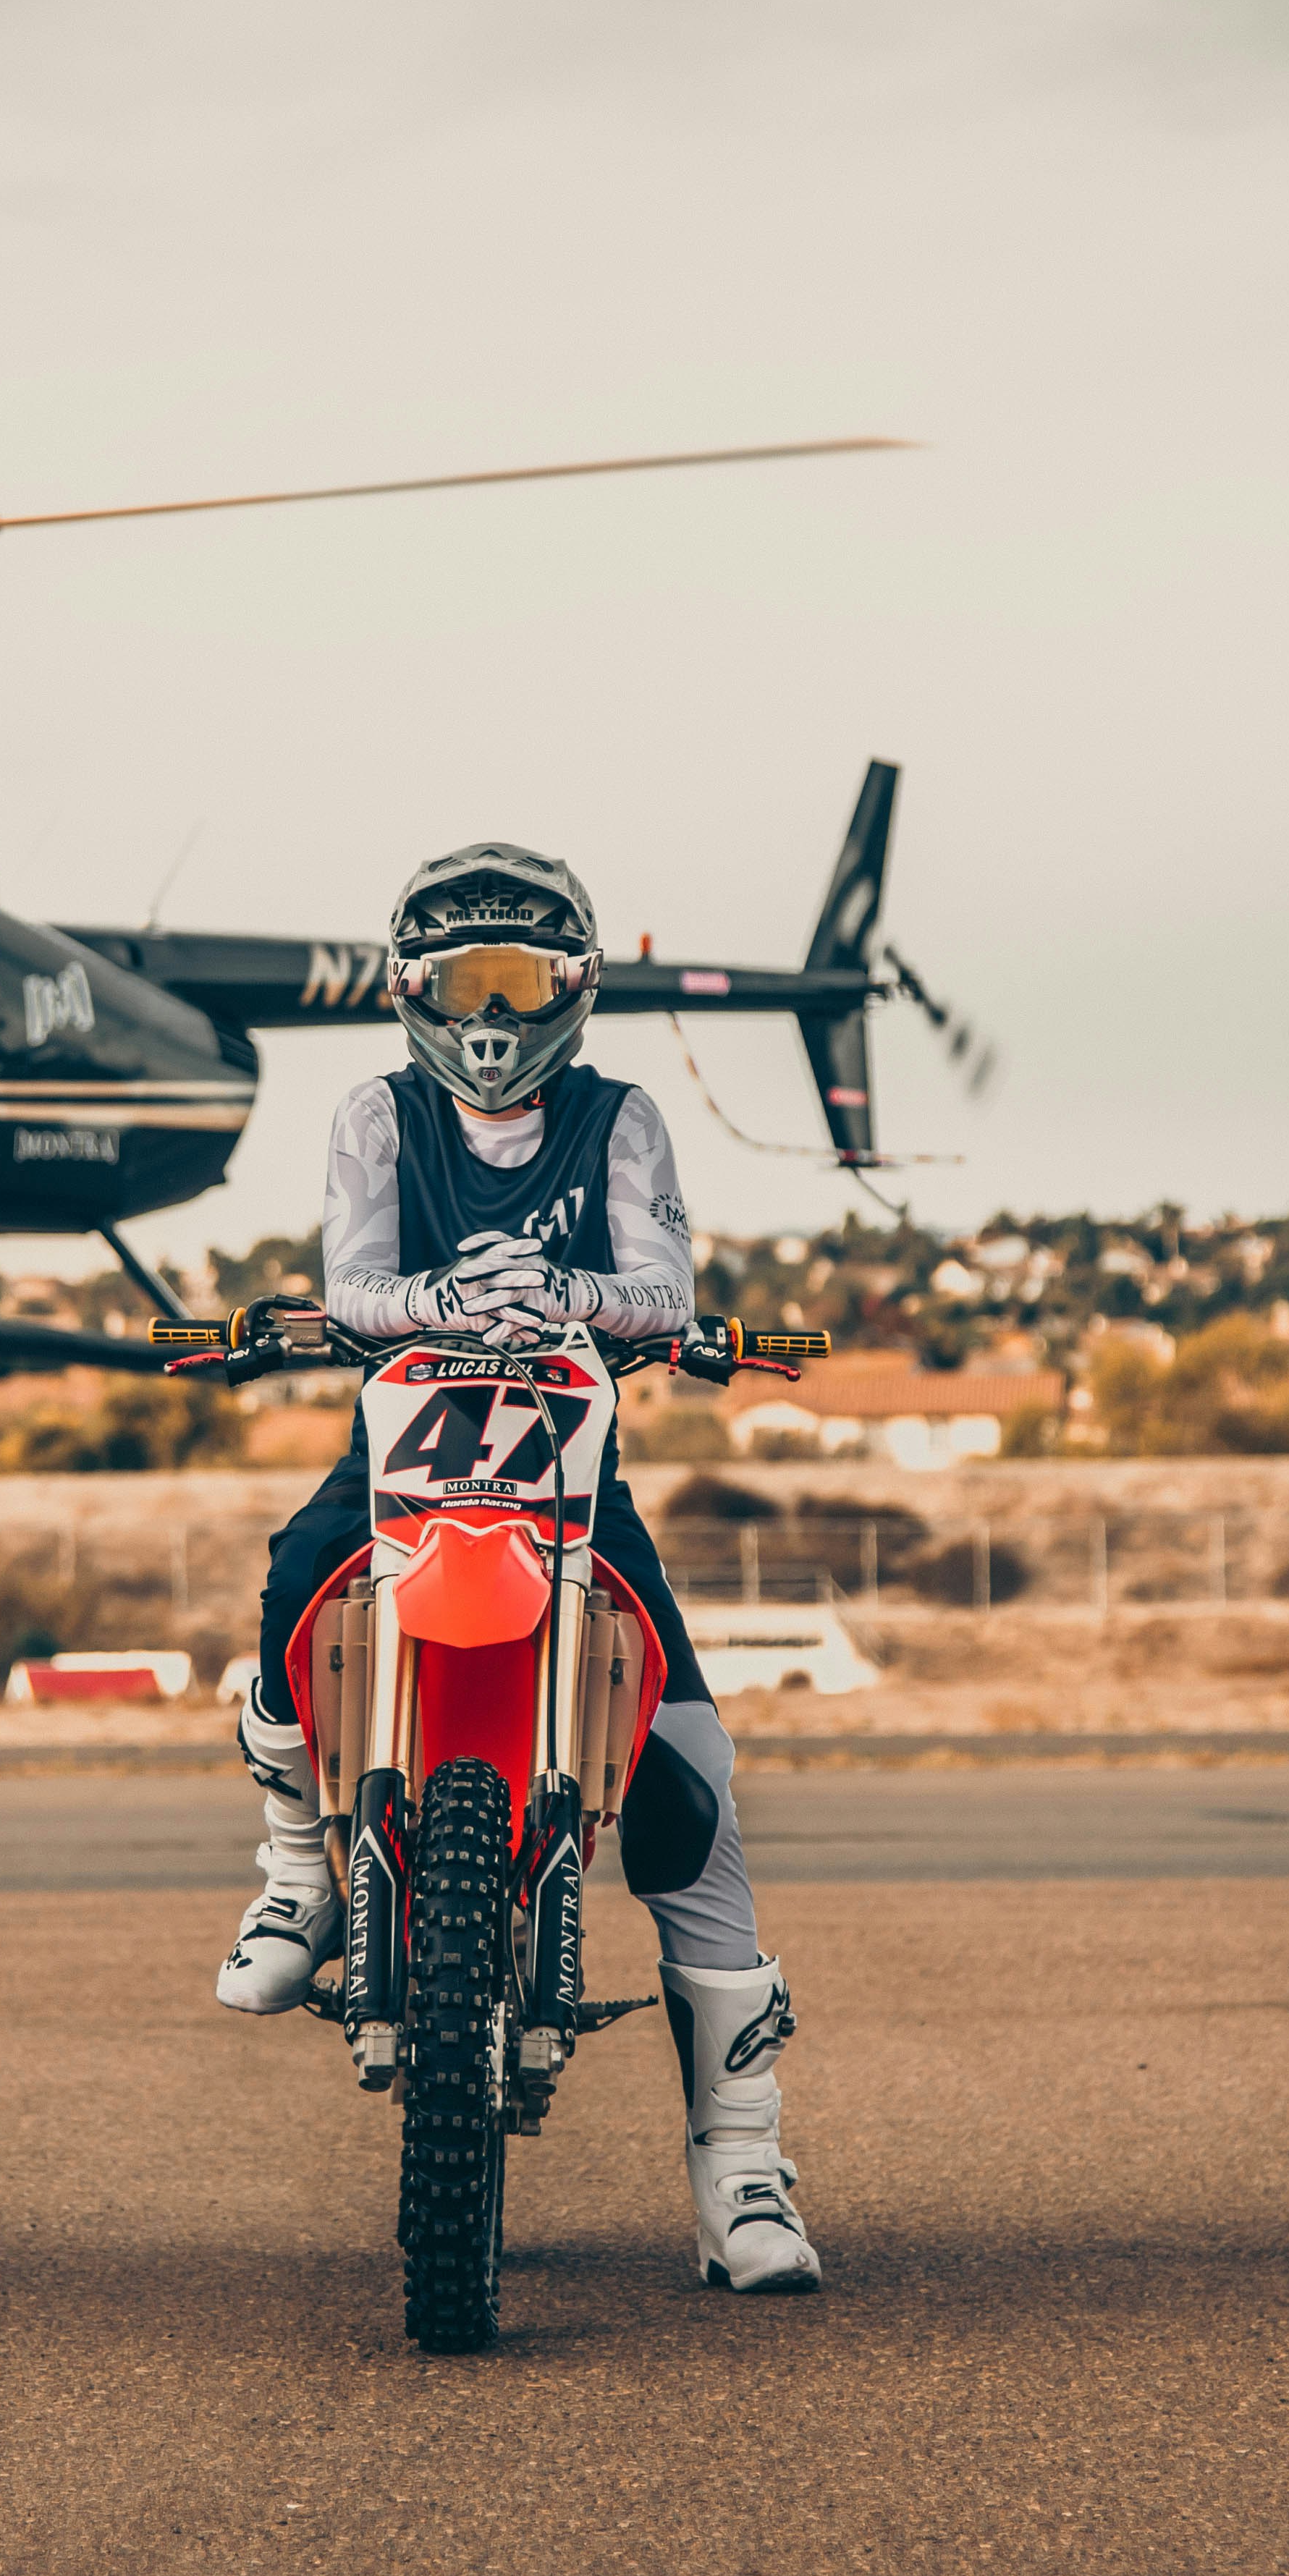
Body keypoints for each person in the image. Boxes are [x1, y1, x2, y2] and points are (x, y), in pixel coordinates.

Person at [219, 842, 821, 2296]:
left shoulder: (620, 1117)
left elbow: (663, 1289)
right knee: (292, 1590)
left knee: (690, 1759)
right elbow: (353, 1279)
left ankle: (742, 2164)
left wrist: (563, 1293)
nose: (489, 1016)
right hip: (409, 1441)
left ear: (574, 987)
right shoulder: (378, 1113)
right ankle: (297, 1871)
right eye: (463, 981)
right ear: (412, 989)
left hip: (569, 1463)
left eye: (520, 980)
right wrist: (442, 1296)